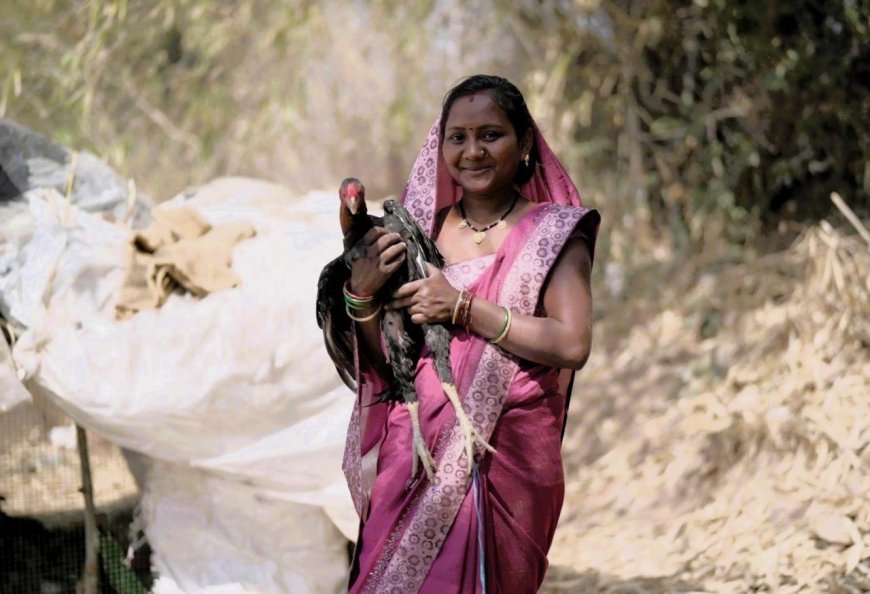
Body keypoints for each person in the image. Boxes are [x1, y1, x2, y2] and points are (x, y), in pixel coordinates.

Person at [340, 74, 600, 593]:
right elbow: (387, 362)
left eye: (491, 135)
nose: (472, 151)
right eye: (457, 137)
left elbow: (572, 344)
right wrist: (361, 296)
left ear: (525, 143)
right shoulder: (419, 235)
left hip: (508, 455)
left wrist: (461, 307)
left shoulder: (552, 234)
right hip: (415, 454)